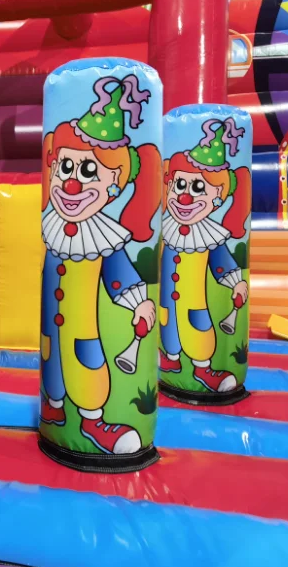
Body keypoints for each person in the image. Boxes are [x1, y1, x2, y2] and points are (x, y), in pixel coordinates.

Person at [40, 73, 160, 456]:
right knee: (51, 361)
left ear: (114, 185)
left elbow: (118, 277)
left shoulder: (102, 238)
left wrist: (138, 303)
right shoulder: (51, 227)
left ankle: (93, 421)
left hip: (83, 329)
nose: (71, 183)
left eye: (88, 171)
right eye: (65, 168)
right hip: (51, 327)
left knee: (87, 366)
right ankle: (53, 408)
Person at [158, 117, 251, 393]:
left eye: (198, 188)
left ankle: (203, 367)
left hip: (193, 301)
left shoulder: (208, 236)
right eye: (179, 185)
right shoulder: (166, 228)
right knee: (168, 325)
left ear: (218, 197)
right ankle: (171, 358)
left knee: (197, 329)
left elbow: (221, 264)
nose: (184, 197)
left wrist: (236, 282)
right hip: (167, 301)